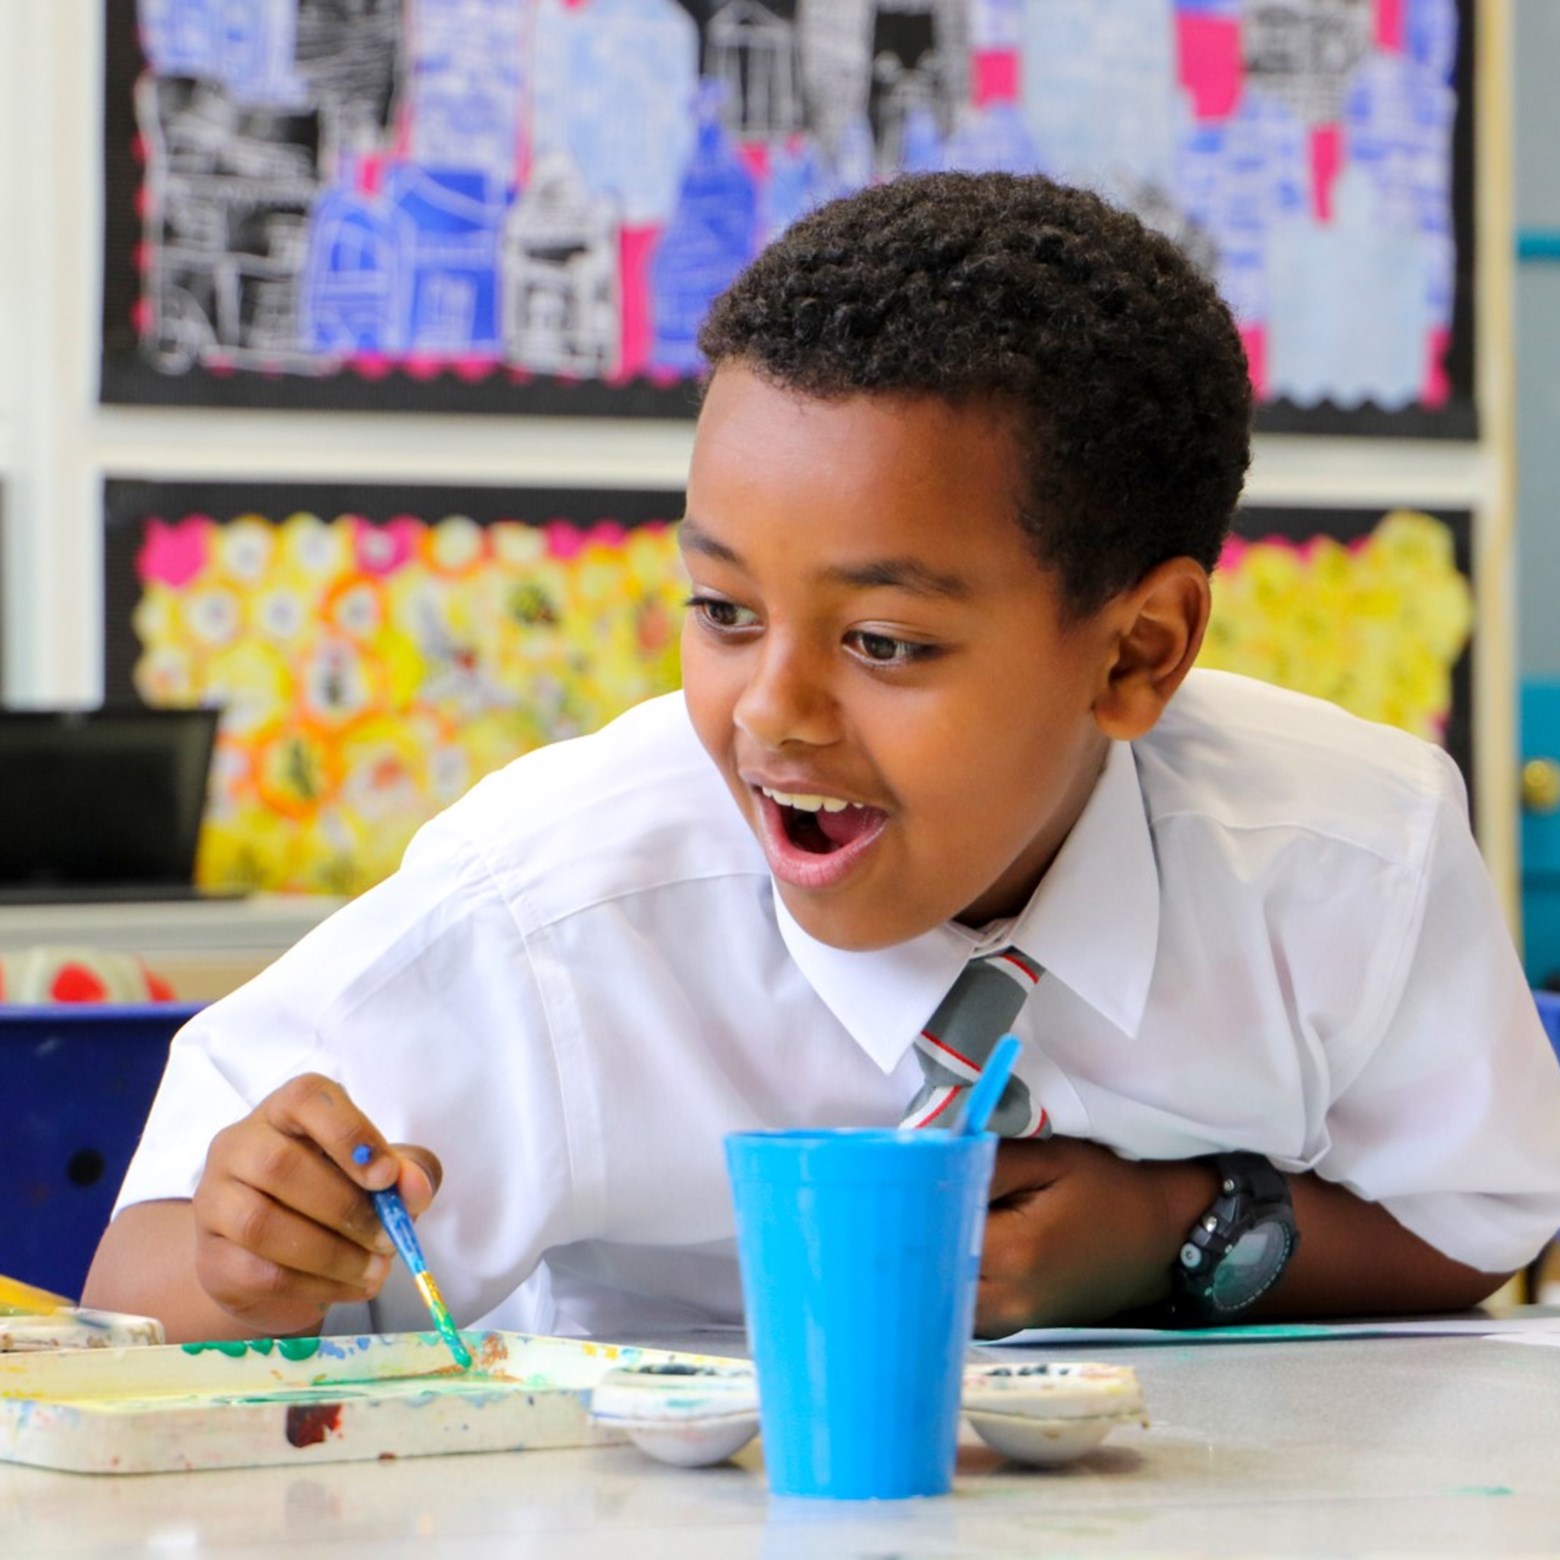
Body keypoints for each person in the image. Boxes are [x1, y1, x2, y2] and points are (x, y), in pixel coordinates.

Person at [84, 173, 1560, 1344]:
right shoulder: (553, 913)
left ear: (1135, 656)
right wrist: (247, 1255)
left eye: (886, 643)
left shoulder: (1343, 859)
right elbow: (135, 1282)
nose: (770, 714)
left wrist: (1171, 1236)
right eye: (724, 612)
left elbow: (1473, 1226)